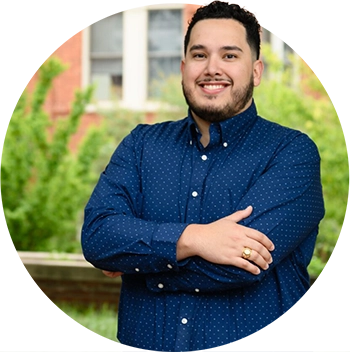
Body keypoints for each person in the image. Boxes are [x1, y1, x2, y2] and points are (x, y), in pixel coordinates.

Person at [81, 1, 325, 351]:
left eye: (229, 56)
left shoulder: (291, 153)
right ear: (183, 68)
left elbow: (241, 266)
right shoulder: (141, 145)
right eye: (199, 55)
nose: (212, 68)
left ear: (256, 71)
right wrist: (193, 238)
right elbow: (97, 237)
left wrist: (142, 262)